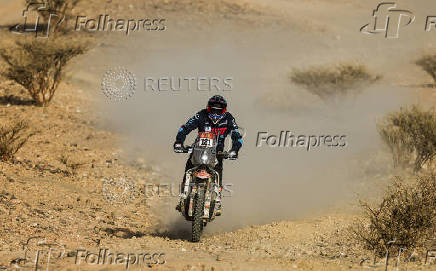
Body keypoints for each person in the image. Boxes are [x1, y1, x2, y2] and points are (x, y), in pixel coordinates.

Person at [173, 95, 243, 214]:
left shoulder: (229, 118)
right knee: (188, 169)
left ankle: (217, 201)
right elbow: (185, 128)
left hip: (217, 153)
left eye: (219, 110)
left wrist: (234, 150)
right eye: (213, 109)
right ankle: (183, 196)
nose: (216, 112)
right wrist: (179, 142)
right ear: (208, 107)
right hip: (198, 150)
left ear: (224, 110)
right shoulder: (201, 115)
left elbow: (237, 136)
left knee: (218, 173)